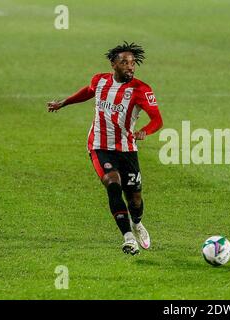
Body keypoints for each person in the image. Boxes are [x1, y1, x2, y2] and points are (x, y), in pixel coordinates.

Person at [47, 41, 163, 256]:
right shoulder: (100, 81)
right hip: (99, 145)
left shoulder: (141, 89)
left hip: (127, 149)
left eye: (132, 63)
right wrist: (64, 103)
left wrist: (145, 131)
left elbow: (157, 119)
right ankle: (128, 238)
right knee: (112, 183)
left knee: (135, 199)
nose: (130, 66)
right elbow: (88, 91)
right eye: (125, 62)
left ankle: (137, 223)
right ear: (114, 64)